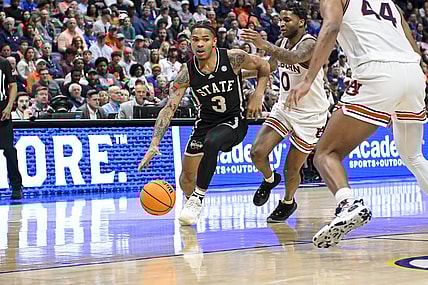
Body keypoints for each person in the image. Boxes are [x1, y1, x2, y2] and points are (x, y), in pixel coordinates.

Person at [287, 0, 428, 248]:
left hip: (377, 71)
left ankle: (348, 203)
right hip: (413, 72)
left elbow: (330, 28)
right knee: (413, 155)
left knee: (325, 154)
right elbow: (410, 42)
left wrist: (308, 79)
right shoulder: (389, 3)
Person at [138, 22, 270, 226]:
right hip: (205, 123)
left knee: (212, 142)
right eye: (195, 40)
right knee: (186, 178)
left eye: (205, 39)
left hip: (233, 120)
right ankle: (193, 209)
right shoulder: (187, 72)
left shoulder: (233, 57)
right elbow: (169, 108)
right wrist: (154, 143)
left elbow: (264, 66)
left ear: (214, 42)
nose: (200, 44)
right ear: (190, 43)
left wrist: (257, 94)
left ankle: (198, 198)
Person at [241, 1, 330, 222]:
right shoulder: (281, 41)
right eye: (280, 20)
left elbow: (293, 58)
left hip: (311, 115)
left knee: (292, 169)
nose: (281, 23)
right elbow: (271, 66)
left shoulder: (310, 43)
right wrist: (240, 75)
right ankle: (270, 179)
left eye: (286, 20)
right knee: (256, 152)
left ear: (301, 22)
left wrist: (265, 45)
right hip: (285, 107)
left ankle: (288, 202)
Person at [0, 57, 23, 199]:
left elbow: (13, 85)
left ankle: (16, 186)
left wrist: (9, 107)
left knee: (9, 150)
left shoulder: (3, 63)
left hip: (2, 109)